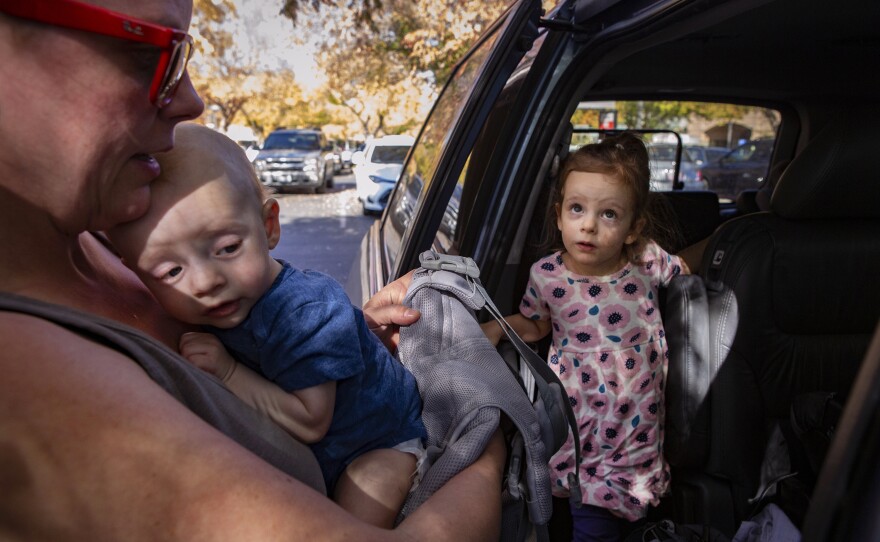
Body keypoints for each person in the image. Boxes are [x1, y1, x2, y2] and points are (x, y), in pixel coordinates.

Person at [0, 0, 505, 540]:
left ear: (269, 226)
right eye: (157, 52)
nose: (191, 99)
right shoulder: (24, 375)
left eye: (225, 247)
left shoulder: (105, 232)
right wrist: (487, 451)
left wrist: (348, 333)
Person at [106, 123, 427, 528]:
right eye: (171, 270)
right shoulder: (208, 309)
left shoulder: (305, 312)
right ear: (137, 275)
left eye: (227, 248)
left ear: (269, 226)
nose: (206, 282)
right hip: (318, 457)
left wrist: (226, 372)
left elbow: (310, 421)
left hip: (379, 441)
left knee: (354, 514)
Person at [481, 133, 689, 541]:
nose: (589, 225)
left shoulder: (647, 260)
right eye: (577, 209)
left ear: (634, 228)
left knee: (637, 517)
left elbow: (685, 275)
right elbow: (536, 325)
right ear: (559, 216)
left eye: (609, 214)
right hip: (583, 430)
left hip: (636, 428)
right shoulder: (547, 276)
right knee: (592, 521)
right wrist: (494, 327)